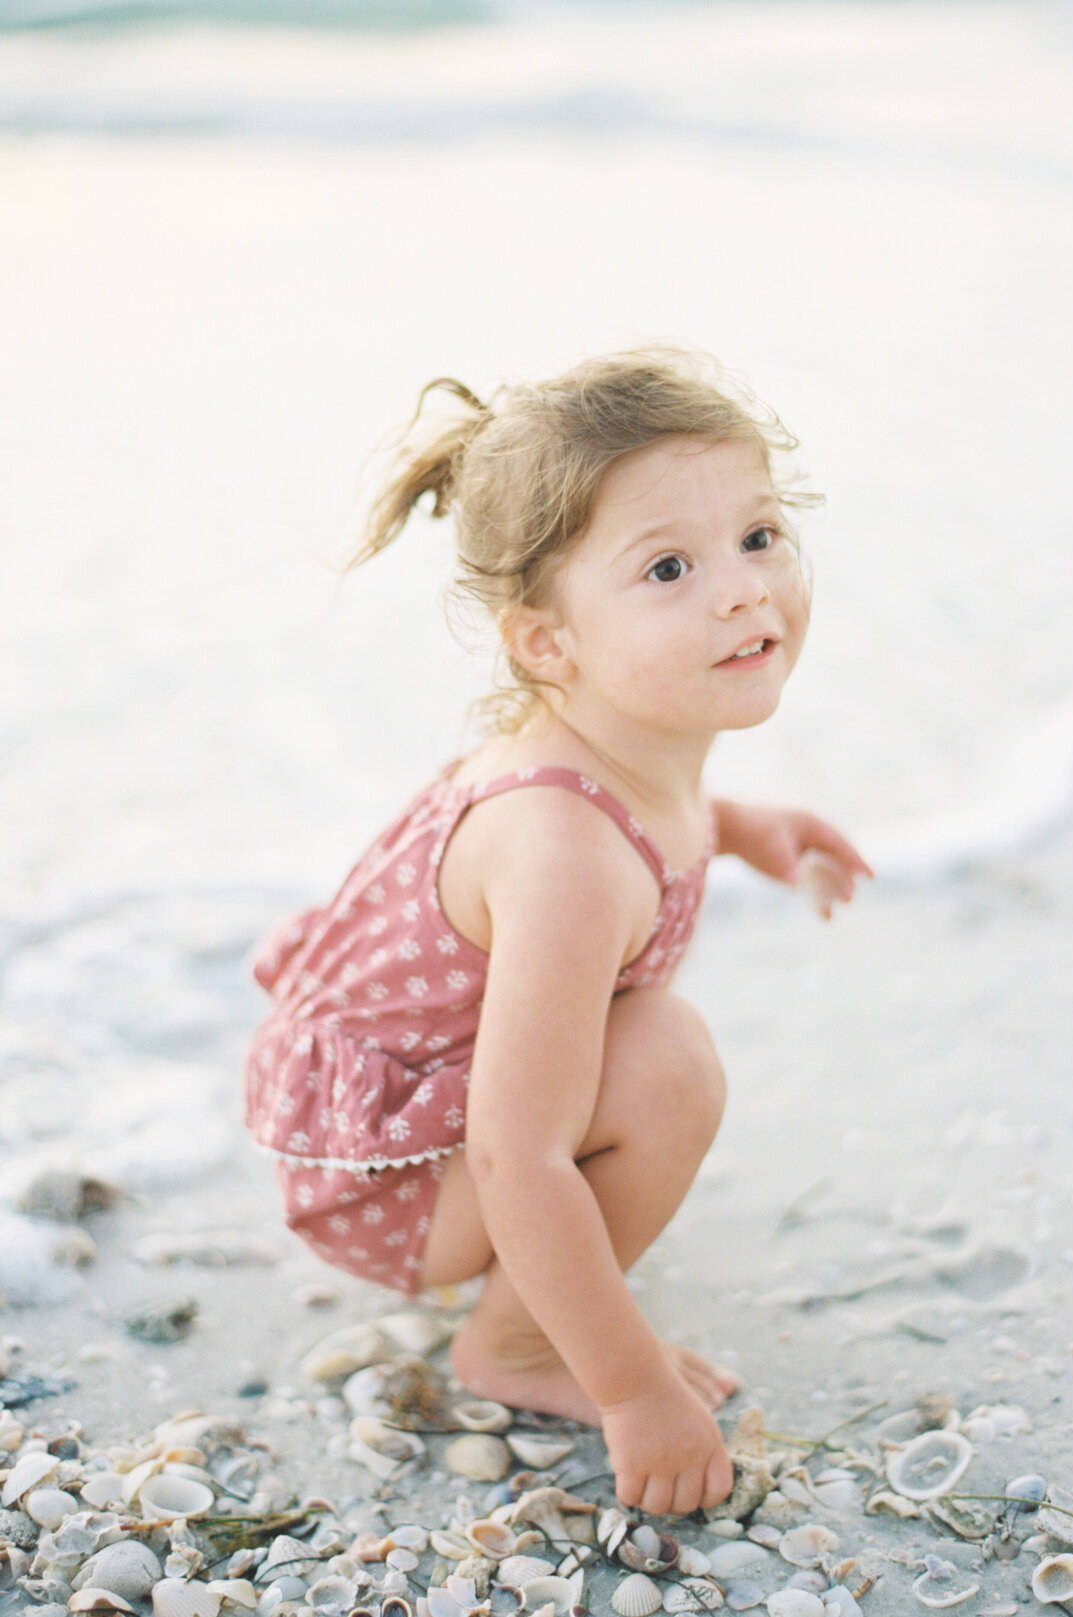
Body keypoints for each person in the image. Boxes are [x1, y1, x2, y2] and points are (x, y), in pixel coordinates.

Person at [244, 348, 872, 1516]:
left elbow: (668, 816)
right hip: (390, 1182)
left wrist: (742, 826)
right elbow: (515, 1153)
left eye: (761, 535)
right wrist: (630, 1386)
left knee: (643, 1052)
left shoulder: (625, 747)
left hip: (431, 1124)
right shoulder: (563, 850)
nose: (744, 589)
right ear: (546, 642)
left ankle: (538, 1302)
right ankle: (515, 1345)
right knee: (666, 1064)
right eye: (670, 567)